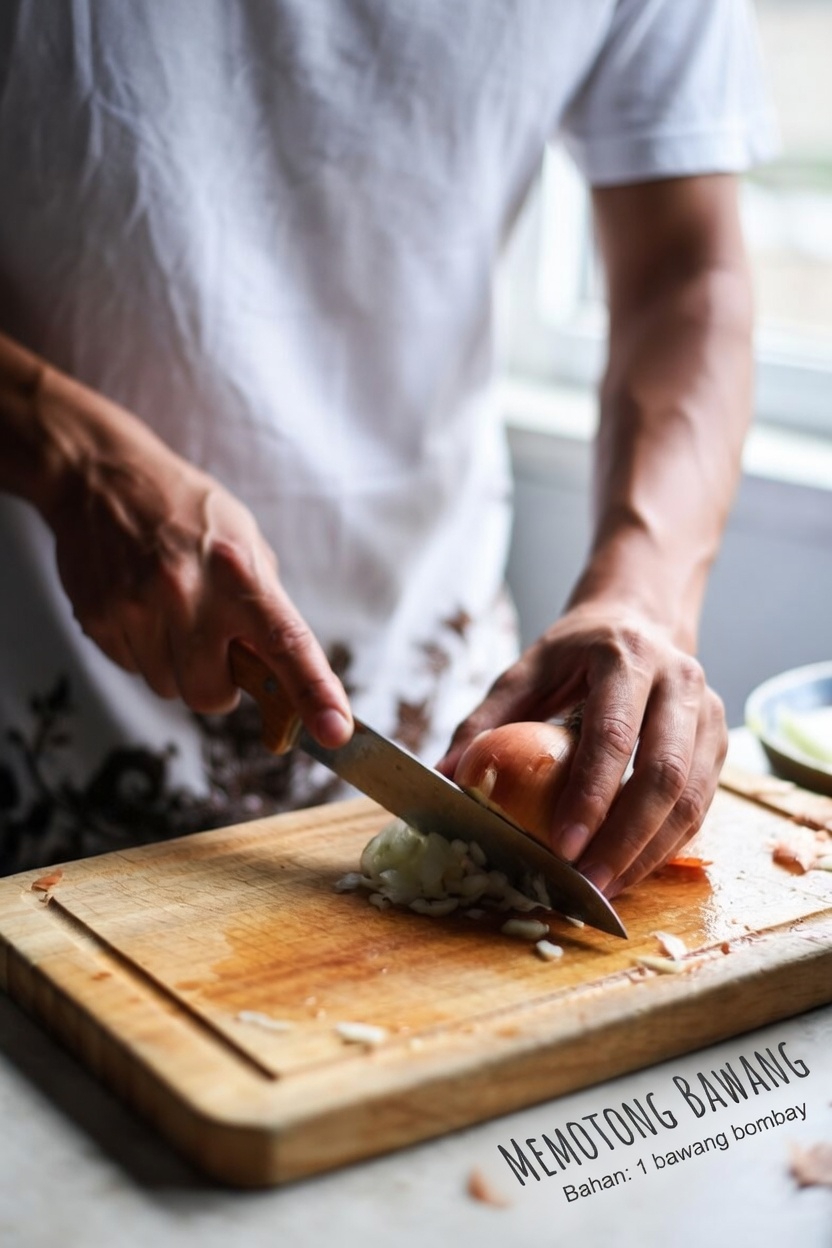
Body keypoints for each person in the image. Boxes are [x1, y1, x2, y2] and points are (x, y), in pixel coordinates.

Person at [0, 1, 777, 891]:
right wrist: (64, 452)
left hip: (443, 730)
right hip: (28, 735)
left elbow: (688, 272)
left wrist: (642, 595)